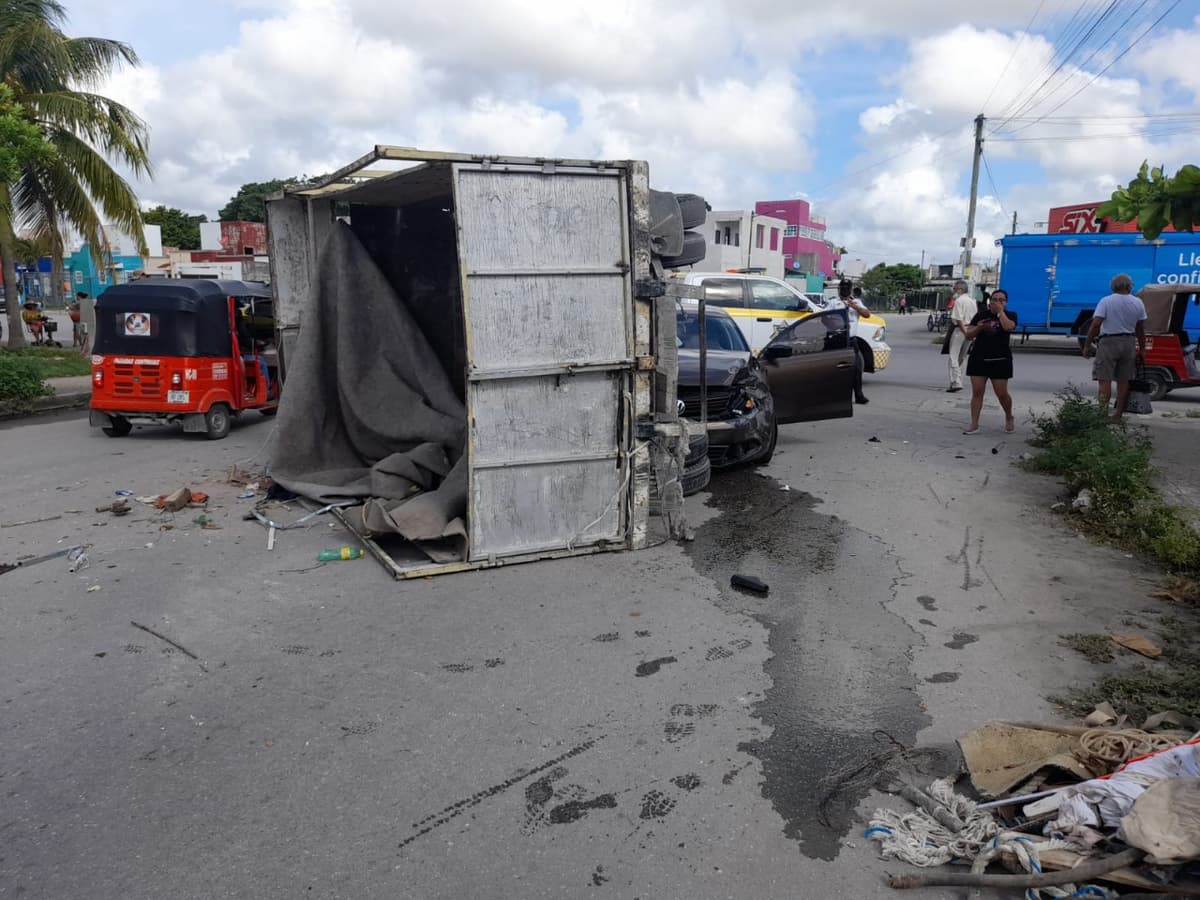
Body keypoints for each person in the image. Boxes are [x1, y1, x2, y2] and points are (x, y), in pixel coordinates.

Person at [1081, 273, 1147, 420]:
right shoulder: (1138, 303)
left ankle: (1102, 414)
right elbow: (1140, 329)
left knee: (1104, 380)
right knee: (1124, 381)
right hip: (1129, 342)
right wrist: (1142, 349)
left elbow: (1096, 324)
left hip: (1108, 342)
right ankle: (1118, 415)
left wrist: (1087, 345)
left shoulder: (1106, 301)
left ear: (1113, 287)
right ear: (1130, 286)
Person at [961, 289, 1017, 434]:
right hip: (979, 358)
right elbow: (968, 335)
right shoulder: (980, 315)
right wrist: (979, 327)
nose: (998, 302)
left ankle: (1009, 416)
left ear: (1005, 302)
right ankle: (974, 424)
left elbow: (1008, 327)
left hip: (1000, 359)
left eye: (1001, 300)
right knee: (977, 392)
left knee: (1002, 393)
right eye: (995, 299)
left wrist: (1000, 312)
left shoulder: (1010, 315)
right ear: (990, 301)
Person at [839, 280, 870, 405]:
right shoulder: (833, 302)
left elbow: (867, 314)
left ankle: (859, 395)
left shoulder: (857, 302)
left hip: (851, 340)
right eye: (843, 287)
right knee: (837, 370)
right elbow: (824, 318)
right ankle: (839, 397)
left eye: (847, 287)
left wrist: (854, 306)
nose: (845, 289)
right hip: (838, 340)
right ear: (839, 288)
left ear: (851, 289)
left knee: (857, 369)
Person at [945, 280, 978, 393]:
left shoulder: (959, 301)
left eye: (955, 289)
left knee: (953, 356)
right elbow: (975, 318)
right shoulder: (973, 301)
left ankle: (955, 382)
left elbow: (959, 319)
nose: (953, 291)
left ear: (960, 289)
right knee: (962, 357)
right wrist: (971, 333)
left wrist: (965, 332)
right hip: (971, 328)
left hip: (960, 330)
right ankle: (958, 380)